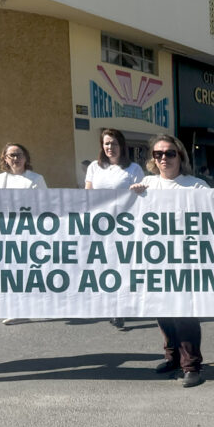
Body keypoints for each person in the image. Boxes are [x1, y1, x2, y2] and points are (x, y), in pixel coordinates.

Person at [130, 134, 210, 388]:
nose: (164, 158)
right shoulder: (147, 184)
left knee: (184, 314)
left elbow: (212, 217)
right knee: (162, 311)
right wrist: (132, 197)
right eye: (158, 154)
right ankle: (172, 358)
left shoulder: (196, 186)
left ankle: (192, 366)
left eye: (170, 153)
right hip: (156, 260)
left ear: (180, 156)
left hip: (185, 261)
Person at [86, 128, 144, 329]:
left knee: (122, 266)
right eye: (107, 143)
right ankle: (109, 304)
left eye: (114, 143)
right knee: (105, 265)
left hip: (124, 224)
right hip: (101, 224)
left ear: (122, 146)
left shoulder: (134, 169)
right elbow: (87, 195)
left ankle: (120, 308)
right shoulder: (94, 167)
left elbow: (141, 197)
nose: (110, 147)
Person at [0, 143, 46, 325]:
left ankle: (28, 306)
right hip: (7, 231)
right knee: (11, 271)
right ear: (5, 159)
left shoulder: (36, 179)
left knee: (28, 271)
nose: (15, 158)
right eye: (11, 155)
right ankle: (17, 309)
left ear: (26, 157)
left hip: (29, 231)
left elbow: (46, 204)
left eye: (19, 154)